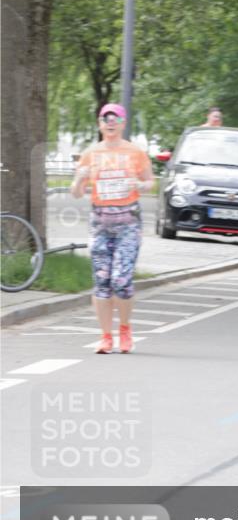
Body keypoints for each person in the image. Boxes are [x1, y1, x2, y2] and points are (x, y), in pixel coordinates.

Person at [71, 103, 154, 354]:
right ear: (99, 123)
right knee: (102, 282)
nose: (110, 122)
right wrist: (79, 177)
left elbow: (150, 181)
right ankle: (106, 336)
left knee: (122, 280)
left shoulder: (135, 152)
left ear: (123, 122)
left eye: (115, 118)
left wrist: (139, 185)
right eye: (105, 118)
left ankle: (125, 330)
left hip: (128, 222)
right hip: (100, 223)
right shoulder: (91, 154)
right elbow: (75, 193)